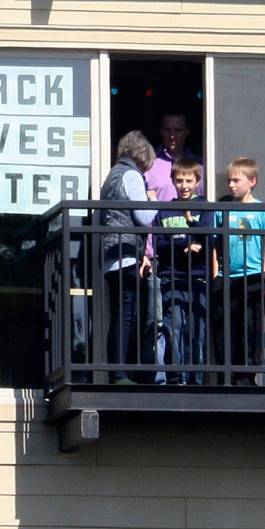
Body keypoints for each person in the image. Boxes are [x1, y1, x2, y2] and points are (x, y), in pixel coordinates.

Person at [144, 113, 205, 381]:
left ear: (187, 131)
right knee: (166, 325)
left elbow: (207, 227)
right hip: (165, 265)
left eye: (177, 130)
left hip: (195, 271)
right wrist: (148, 254)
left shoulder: (200, 166)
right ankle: (169, 376)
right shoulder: (152, 166)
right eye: (167, 129)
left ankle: (196, 377)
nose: (172, 135)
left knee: (194, 327)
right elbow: (151, 220)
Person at [100, 131, 157, 383]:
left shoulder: (111, 176)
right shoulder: (132, 175)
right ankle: (119, 374)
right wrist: (154, 200)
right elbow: (144, 216)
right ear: (142, 157)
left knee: (119, 315)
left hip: (111, 255)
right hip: (126, 255)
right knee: (126, 317)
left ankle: (118, 372)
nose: (145, 171)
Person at [153, 158, 216, 384]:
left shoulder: (205, 208)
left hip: (198, 278)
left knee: (195, 332)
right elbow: (159, 244)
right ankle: (175, 377)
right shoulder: (164, 211)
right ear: (172, 182)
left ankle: (195, 379)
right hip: (171, 278)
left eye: (189, 180)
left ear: (197, 182)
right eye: (179, 180)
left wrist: (191, 223)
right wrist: (185, 245)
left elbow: (209, 238)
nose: (184, 185)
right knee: (173, 328)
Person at [215, 157, 265, 385]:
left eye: (236, 180)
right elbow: (215, 245)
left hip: (252, 276)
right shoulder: (223, 210)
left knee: (250, 326)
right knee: (225, 326)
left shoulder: (262, 211)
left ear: (252, 181)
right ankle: (227, 376)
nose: (231, 185)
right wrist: (215, 275)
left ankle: (247, 377)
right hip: (226, 277)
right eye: (229, 181)